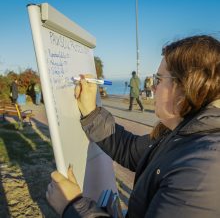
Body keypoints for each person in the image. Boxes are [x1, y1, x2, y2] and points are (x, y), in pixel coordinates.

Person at [46, 35, 220, 218]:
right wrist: (91, 112)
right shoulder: (181, 135)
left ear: (186, 87)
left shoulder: (202, 171)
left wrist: (73, 206)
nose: (153, 88)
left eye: (158, 80)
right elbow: (128, 149)